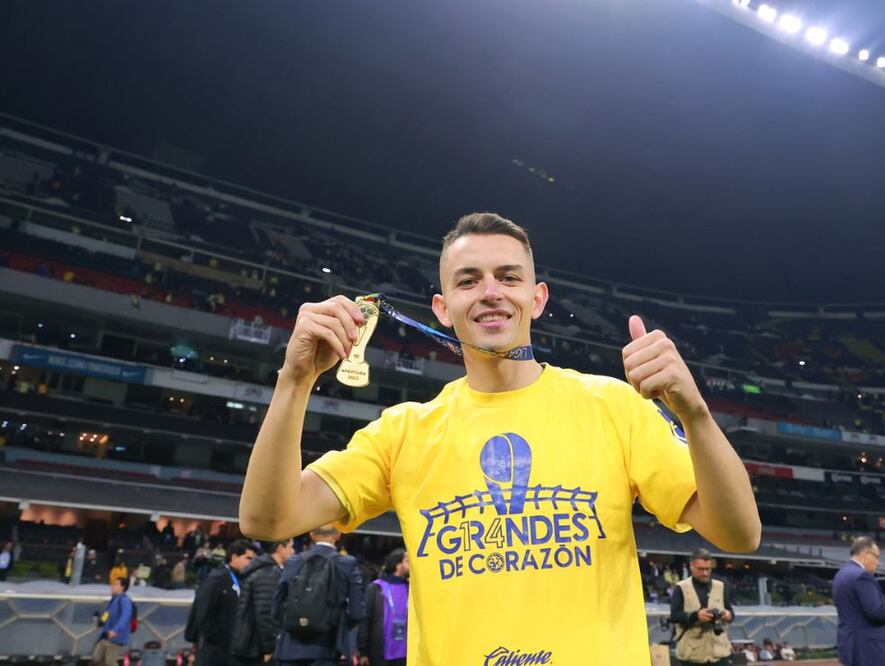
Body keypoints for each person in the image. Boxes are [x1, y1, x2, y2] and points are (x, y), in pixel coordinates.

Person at [239, 212, 761, 663]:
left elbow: (739, 534)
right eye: (468, 281)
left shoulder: (612, 406)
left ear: (536, 298)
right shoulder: (402, 431)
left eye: (507, 277)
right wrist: (294, 380)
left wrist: (696, 416)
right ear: (443, 309)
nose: (490, 292)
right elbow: (268, 519)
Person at [274, 526, 364, 666]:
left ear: (312, 535)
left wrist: (290, 625)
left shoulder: (294, 561)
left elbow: (277, 603)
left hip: (289, 647)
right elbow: (356, 612)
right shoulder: (347, 563)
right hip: (327, 647)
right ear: (338, 535)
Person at [831, 537, 885, 666]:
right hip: (872, 649)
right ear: (866, 554)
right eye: (876, 557)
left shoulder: (842, 574)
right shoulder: (862, 576)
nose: (878, 562)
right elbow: (876, 612)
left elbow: (860, 609)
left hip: (852, 644)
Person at [185, 539, 257, 666]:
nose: (252, 563)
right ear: (234, 557)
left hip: (232, 652)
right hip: (214, 652)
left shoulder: (243, 580)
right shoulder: (216, 579)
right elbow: (205, 615)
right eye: (248, 558)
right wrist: (220, 639)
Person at [232, 540, 295, 666]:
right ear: (279, 548)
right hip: (256, 649)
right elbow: (266, 613)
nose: (293, 551)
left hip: (251, 645)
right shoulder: (269, 573)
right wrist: (270, 647)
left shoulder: (264, 570)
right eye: (290, 547)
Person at [670, 548, 734, 665]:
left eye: (707, 569)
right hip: (692, 655)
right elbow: (674, 616)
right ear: (691, 566)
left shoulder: (721, 586)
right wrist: (696, 616)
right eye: (701, 569)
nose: (705, 573)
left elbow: (731, 612)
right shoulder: (681, 587)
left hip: (719, 652)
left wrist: (727, 615)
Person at [357, 548, 410, 666]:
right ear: (397, 565)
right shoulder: (376, 588)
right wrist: (363, 651)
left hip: (405, 653)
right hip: (380, 652)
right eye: (407, 561)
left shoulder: (411, 589)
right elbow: (365, 620)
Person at [91, 577, 133, 666]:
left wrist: (115, 630)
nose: (112, 586)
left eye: (115, 584)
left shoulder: (125, 601)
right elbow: (107, 614)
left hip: (115, 637)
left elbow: (125, 617)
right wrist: (101, 623)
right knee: (97, 658)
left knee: (110, 661)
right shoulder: (114, 600)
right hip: (106, 634)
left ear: (122, 587)